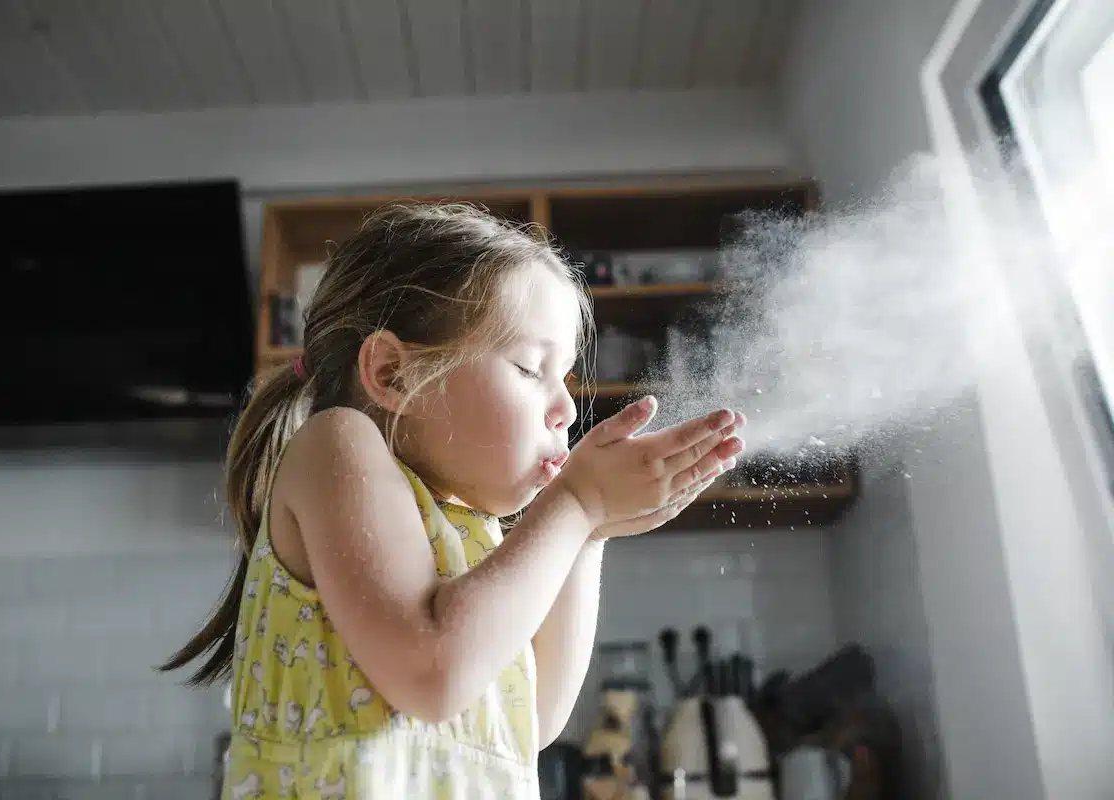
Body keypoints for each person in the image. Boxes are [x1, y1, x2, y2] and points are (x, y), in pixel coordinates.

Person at [161, 202, 745, 798]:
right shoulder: (336, 447)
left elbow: (535, 719)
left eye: (565, 379)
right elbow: (435, 674)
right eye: (529, 367)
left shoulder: (474, 535)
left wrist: (591, 531)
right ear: (393, 374)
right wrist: (576, 505)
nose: (566, 410)